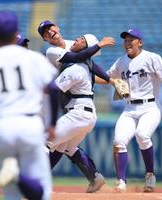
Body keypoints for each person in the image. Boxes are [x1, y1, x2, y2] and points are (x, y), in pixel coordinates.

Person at [0, 11, 58, 200]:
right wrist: (52, 123)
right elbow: (53, 88)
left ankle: (15, 175)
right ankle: (17, 174)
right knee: (42, 191)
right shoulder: (32, 58)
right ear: (16, 32)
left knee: (12, 195)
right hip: (29, 124)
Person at [38, 20, 116, 193]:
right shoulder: (53, 51)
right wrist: (99, 45)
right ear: (45, 39)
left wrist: (111, 80)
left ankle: (39, 182)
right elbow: (79, 57)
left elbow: (87, 62)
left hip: (74, 107)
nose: (76, 40)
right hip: (82, 109)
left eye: (50, 28)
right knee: (64, 147)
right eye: (45, 33)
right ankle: (95, 178)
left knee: (45, 142)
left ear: (57, 27)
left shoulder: (75, 65)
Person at [97, 28, 162, 192]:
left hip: (150, 106)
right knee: (118, 141)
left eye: (131, 40)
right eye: (125, 40)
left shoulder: (152, 58)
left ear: (140, 42)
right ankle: (121, 182)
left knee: (142, 135)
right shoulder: (121, 61)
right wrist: (87, 76)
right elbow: (107, 77)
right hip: (130, 107)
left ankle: (150, 175)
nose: (127, 43)